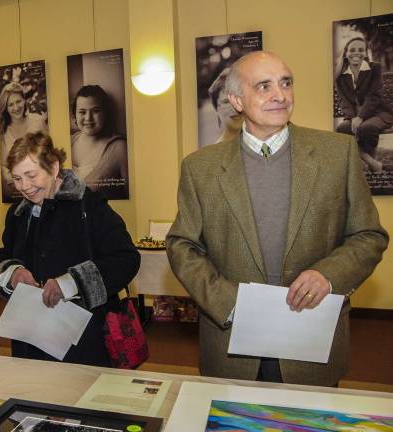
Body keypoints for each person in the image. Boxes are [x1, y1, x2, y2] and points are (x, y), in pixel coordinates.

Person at [166, 51, 388, 387]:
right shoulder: (200, 168)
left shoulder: (337, 153)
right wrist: (227, 304)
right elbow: (182, 245)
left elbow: (369, 235)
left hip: (310, 337)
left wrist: (327, 276)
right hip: (231, 342)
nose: (280, 95)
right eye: (264, 86)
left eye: (285, 83)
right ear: (236, 100)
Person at [0, 131, 139, 366]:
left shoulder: (89, 207)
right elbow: (3, 256)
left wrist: (70, 283)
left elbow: (126, 259)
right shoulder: (17, 214)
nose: (24, 187)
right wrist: (12, 273)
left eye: (31, 175)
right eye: (17, 179)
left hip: (83, 341)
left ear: (54, 167)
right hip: (29, 338)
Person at [335, 37, 393, 173]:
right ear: (346, 53)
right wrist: (354, 117)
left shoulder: (375, 68)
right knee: (342, 130)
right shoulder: (340, 75)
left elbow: (374, 96)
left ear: (366, 53)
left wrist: (360, 117)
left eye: (361, 50)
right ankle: (373, 163)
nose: (357, 53)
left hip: (379, 113)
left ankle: (372, 166)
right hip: (355, 116)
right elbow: (344, 101)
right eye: (352, 50)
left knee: (367, 128)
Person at [70, 85, 129, 198]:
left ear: (106, 113)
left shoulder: (119, 148)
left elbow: (131, 194)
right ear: (75, 115)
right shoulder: (69, 141)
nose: (88, 118)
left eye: (96, 111)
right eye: (82, 112)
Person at [0, 82, 48, 196]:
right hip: (16, 191)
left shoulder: (38, 121)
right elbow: (4, 168)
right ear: (5, 108)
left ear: (24, 100)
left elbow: (48, 154)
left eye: (18, 101)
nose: (16, 107)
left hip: (41, 188)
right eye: (10, 104)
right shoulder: (2, 133)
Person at [208, 68, 244, 143]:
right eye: (226, 102)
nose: (234, 108)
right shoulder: (215, 153)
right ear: (217, 109)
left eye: (239, 100)